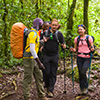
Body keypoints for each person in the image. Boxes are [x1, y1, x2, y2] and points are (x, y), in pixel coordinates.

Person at [23, 18, 48, 100]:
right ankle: (26, 97)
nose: (42, 25)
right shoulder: (32, 34)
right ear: (38, 24)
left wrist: (42, 42)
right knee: (28, 77)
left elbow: (36, 45)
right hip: (29, 58)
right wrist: (39, 62)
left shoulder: (36, 33)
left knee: (39, 75)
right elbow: (32, 49)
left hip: (33, 57)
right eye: (41, 23)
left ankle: (41, 95)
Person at [42, 19, 66, 97]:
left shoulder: (59, 34)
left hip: (55, 55)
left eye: (56, 25)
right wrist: (43, 41)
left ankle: (51, 90)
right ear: (50, 25)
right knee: (46, 72)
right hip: (46, 55)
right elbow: (39, 42)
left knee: (53, 73)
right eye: (53, 25)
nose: (54, 26)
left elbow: (63, 44)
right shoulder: (45, 33)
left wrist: (64, 46)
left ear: (57, 26)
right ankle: (47, 85)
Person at [70, 24, 94, 94]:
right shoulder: (76, 39)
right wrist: (72, 50)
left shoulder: (89, 38)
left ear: (84, 30)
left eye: (81, 29)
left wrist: (92, 49)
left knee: (83, 72)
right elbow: (75, 49)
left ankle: (85, 87)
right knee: (80, 73)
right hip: (79, 57)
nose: (79, 31)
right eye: (79, 29)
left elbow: (92, 47)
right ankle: (82, 89)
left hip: (87, 57)